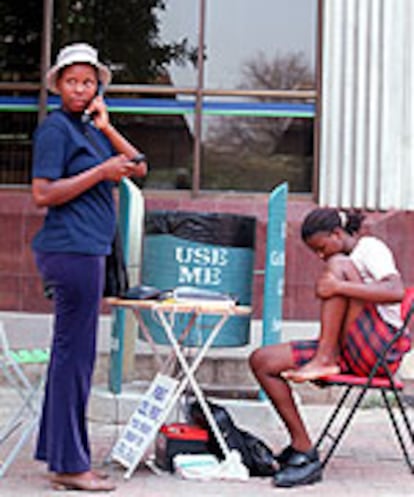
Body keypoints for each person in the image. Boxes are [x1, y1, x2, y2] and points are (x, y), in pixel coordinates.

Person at [31, 42, 147, 491]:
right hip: (71, 249)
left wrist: (109, 127)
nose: (81, 89)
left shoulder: (91, 129)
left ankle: (63, 457)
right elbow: (42, 193)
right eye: (72, 81)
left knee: (73, 357)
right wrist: (100, 173)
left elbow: (138, 167)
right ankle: (70, 466)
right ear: (58, 85)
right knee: (73, 358)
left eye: (89, 81)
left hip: (89, 248)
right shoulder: (56, 129)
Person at [249, 207, 411, 488]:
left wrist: (339, 287)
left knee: (337, 269)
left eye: (321, 248)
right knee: (262, 360)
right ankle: (303, 449)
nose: (321, 256)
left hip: (379, 351)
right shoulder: (346, 260)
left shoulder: (369, 248)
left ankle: (325, 358)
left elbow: (395, 291)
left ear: (337, 233)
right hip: (349, 349)